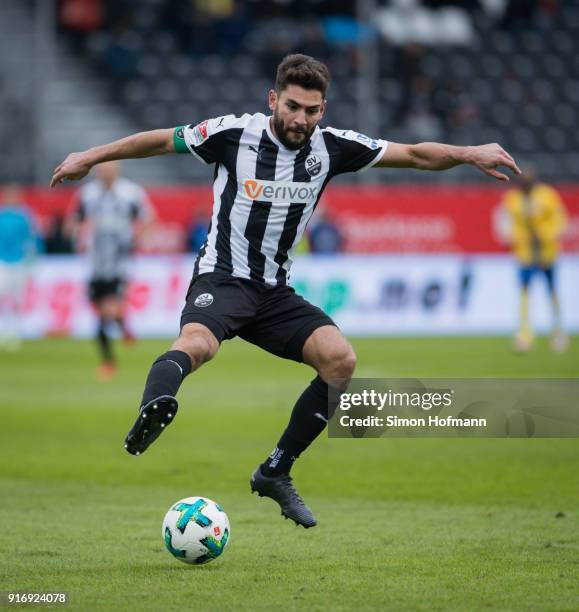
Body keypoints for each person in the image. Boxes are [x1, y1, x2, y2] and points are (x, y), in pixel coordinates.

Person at [51, 54, 520, 528]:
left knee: (341, 363)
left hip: (274, 291)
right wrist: (90, 157)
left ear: (323, 110)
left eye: (312, 111)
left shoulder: (332, 147)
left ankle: (275, 471)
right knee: (197, 345)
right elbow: (157, 141)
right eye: (293, 106)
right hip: (223, 277)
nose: (301, 119)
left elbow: (416, 155)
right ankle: (154, 408)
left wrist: (468, 153)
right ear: (273, 99)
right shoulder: (233, 134)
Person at [67, 161, 153, 378]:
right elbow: (73, 221)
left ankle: (108, 363)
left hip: (120, 261)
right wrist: (77, 235)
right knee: (102, 308)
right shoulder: (87, 194)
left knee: (105, 312)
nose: (106, 174)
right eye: (103, 170)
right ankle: (124, 326)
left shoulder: (130, 193)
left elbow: (148, 218)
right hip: (96, 262)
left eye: (110, 170)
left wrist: (136, 237)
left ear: (117, 171)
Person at [494, 168, 568, 352]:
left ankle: (558, 331)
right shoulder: (512, 198)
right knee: (525, 293)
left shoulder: (547, 195)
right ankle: (525, 334)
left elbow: (559, 220)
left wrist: (545, 236)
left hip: (547, 252)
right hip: (525, 254)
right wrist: (515, 239)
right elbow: (505, 222)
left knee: (552, 292)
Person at [0, 186, 37, 350]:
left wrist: (32, 259)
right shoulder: (2, 216)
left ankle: (15, 332)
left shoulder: (24, 217)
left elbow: (31, 239)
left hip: (19, 261)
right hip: (2, 261)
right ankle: (4, 330)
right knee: (2, 295)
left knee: (16, 299)